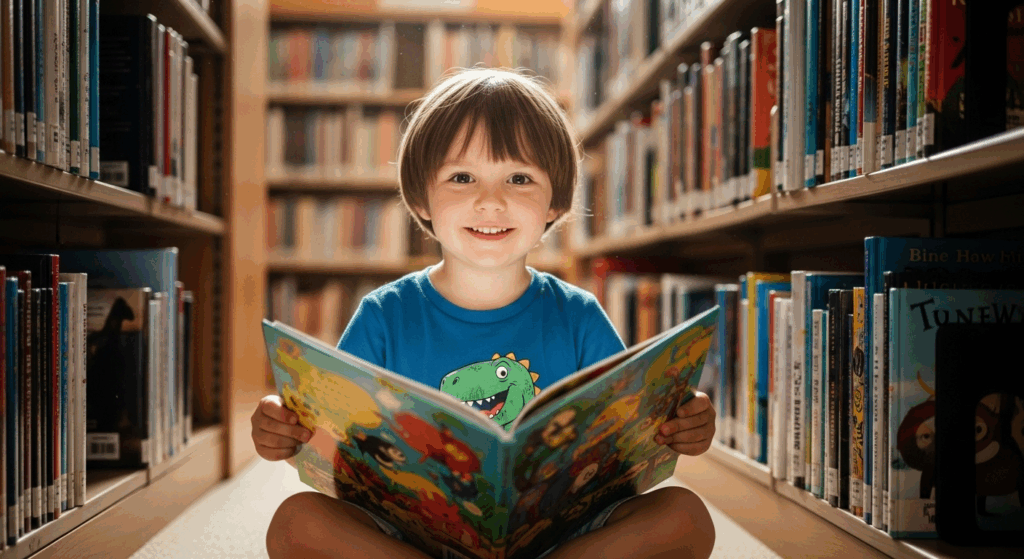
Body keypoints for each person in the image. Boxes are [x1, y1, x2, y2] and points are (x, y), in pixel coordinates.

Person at [252, 68, 717, 559]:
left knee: (685, 516)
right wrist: (283, 430)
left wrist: (684, 424)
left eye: (519, 178)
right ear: (421, 199)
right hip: (411, 538)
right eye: (461, 177)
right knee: (295, 521)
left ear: (554, 202)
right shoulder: (383, 315)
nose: (490, 201)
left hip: (561, 537)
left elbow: (628, 448)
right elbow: (333, 451)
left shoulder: (579, 315)